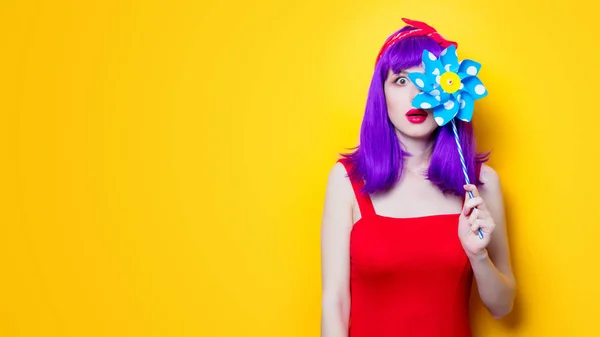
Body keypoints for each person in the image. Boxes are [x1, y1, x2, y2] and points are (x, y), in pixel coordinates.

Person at [320, 19, 516, 337]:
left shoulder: (481, 184)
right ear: (381, 95)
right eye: (400, 81)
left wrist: (478, 255)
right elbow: (334, 304)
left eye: (426, 79)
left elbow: (503, 306)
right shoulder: (346, 181)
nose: (416, 95)